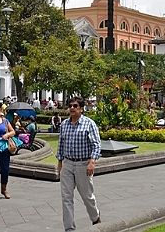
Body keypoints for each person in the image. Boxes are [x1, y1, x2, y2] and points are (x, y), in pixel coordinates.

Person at [57, 96, 102, 231]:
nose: (72, 108)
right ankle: (69, 228)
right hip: (68, 164)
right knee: (66, 198)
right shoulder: (64, 124)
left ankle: (95, 218)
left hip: (83, 164)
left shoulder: (89, 124)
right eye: (70, 106)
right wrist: (60, 162)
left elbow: (96, 144)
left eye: (75, 106)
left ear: (81, 109)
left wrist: (92, 162)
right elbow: (61, 144)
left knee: (87, 196)